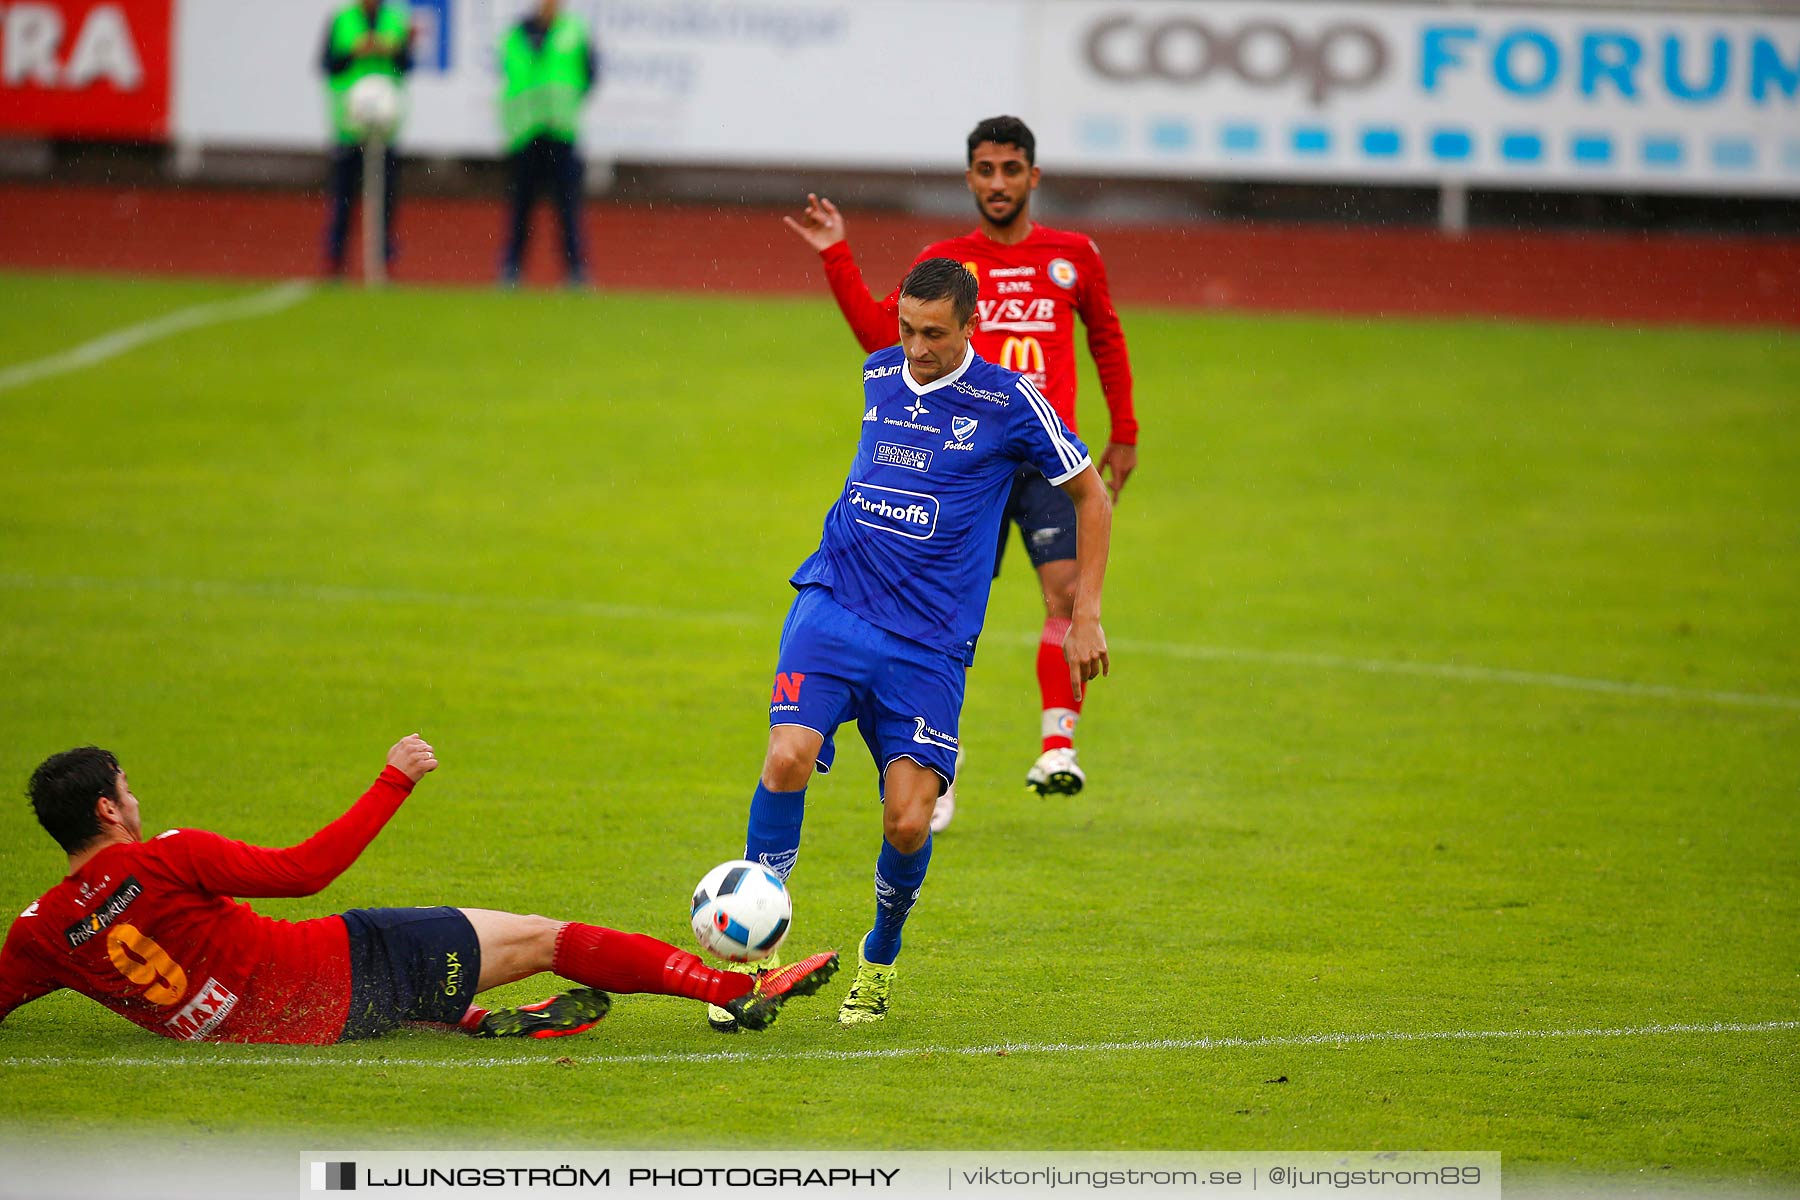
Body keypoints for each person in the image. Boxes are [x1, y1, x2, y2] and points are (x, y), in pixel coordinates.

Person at [709, 259, 1112, 1031]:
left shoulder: (1009, 402)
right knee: (787, 755)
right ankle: (758, 961)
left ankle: (879, 958)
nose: (916, 349)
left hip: (927, 645)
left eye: (934, 334)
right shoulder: (878, 375)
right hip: (833, 607)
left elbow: (1089, 495)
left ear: (970, 326)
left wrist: (1085, 610)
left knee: (908, 821)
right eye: (906, 330)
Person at [0, 736, 836, 1044]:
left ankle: (466, 1014)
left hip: (273, 1031)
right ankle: (738, 988)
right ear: (110, 808)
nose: (139, 802)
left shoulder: (38, 931)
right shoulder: (166, 858)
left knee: (446, 968)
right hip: (345, 968)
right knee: (547, 938)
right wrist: (391, 782)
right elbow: (304, 873)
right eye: (129, 789)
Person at [783, 115, 1140, 826]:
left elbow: (1105, 334)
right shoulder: (948, 260)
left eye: (1013, 169)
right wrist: (836, 256)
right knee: (934, 606)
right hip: (957, 466)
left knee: (1065, 590)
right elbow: (887, 338)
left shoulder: (1074, 254)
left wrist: (1123, 430)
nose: (999, 182)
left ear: (1034, 177)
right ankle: (936, 752)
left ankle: (1057, 748)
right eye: (986, 169)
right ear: (969, 176)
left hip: (1041, 455)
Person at [498, 0, 599, 286]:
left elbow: (590, 74)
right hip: (526, 130)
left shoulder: (575, 30)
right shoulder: (516, 35)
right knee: (521, 205)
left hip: (560, 130)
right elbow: (508, 73)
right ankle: (512, 268)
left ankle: (575, 270)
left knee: (567, 206)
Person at [320, 0, 414, 277]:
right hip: (349, 124)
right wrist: (353, 51)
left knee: (385, 197)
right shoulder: (342, 20)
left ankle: (383, 261)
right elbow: (328, 64)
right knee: (344, 196)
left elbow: (407, 64)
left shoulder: (396, 21)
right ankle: (336, 261)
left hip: (384, 127)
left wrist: (392, 49)